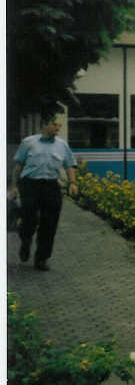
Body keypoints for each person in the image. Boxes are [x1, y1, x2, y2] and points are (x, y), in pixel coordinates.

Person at [8, 115, 78, 271]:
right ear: (45, 125)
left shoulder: (62, 145)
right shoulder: (28, 142)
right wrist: (14, 187)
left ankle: (41, 258)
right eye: (55, 125)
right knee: (28, 219)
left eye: (59, 125)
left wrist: (72, 183)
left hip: (51, 186)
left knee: (50, 223)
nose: (58, 128)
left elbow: (69, 165)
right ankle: (25, 242)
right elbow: (18, 167)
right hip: (30, 185)